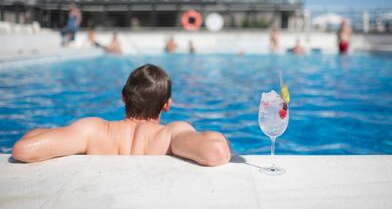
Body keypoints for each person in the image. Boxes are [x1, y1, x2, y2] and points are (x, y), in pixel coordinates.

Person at [12, 64, 231, 166]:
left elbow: (23, 149)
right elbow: (217, 152)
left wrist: (39, 131)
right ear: (167, 105)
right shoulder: (171, 135)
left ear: (123, 97)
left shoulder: (92, 130)